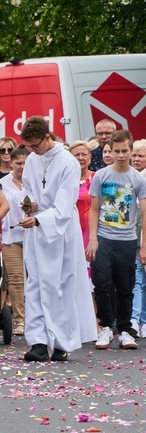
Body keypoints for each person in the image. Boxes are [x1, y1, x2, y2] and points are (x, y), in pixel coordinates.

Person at [18, 117, 98, 361]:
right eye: (28, 146)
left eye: (35, 145)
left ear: (47, 137)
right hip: (36, 228)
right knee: (35, 285)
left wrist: (41, 219)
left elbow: (64, 205)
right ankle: (39, 342)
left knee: (60, 285)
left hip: (59, 229)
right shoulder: (32, 159)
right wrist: (27, 204)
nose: (32, 150)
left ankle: (61, 343)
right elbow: (28, 189)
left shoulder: (68, 162)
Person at [86, 130, 146, 350]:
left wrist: (143, 246)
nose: (120, 155)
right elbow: (93, 209)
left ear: (131, 151)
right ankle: (106, 327)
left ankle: (124, 330)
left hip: (127, 239)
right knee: (101, 284)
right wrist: (93, 238)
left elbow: (144, 213)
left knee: (125, 286)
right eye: (116, 151)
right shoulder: (101, 175)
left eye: (124, 151)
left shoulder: (138, 178)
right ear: (110, 151)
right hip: (103, 237)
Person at [0, 147, 29, 336]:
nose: (22, 167)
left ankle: (36, 318)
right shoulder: (2, 183)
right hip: (10, 236)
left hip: (33, 235)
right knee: (16, 280)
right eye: (18, 163)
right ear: (11, 163)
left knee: (35, 278)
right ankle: (20, 320)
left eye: (25, 163)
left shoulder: (36, 182)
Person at [130, 140, 146, 337]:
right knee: (137, 280)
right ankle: (135, 319)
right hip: (132, 237)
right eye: (135, 155)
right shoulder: (131, 177)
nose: (137, 159)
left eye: (141, 155)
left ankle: (143, 320)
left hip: (143, 236)